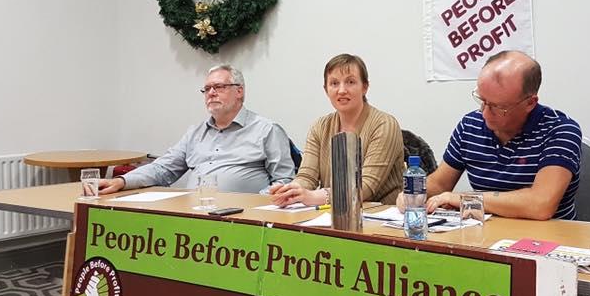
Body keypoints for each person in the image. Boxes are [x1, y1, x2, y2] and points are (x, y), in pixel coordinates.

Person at [399, 50, 582, 219]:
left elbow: (540, 204)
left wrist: (465, 199)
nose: (485, 113)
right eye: (482, 100)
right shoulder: (470, 125)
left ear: (530, 103)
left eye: (498, 107)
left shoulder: (560, 131)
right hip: (486, 233)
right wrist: (414, 193)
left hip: (546, 238)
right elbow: (440, 184)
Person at [98, 64, 294, 195]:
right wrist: (122, 181)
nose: (211, 93)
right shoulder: (195, 133)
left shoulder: (267, 130)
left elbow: (284, 180)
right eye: (207, 89)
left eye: (219, 87)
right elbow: (163, 168)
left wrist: (253, 204)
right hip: (195, 214)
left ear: (239, 91)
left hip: (243, 220)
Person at [270, 54, 403, 206]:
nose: (341, 90)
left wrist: (313, 196)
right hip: (331, 214)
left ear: (365, 87)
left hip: (378, 214)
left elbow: (365, 187)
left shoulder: (384, 124)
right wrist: (291, 191)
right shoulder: (319, 127)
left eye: (350, 82)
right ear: (326, 90)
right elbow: (307, 177)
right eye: (334, 83)